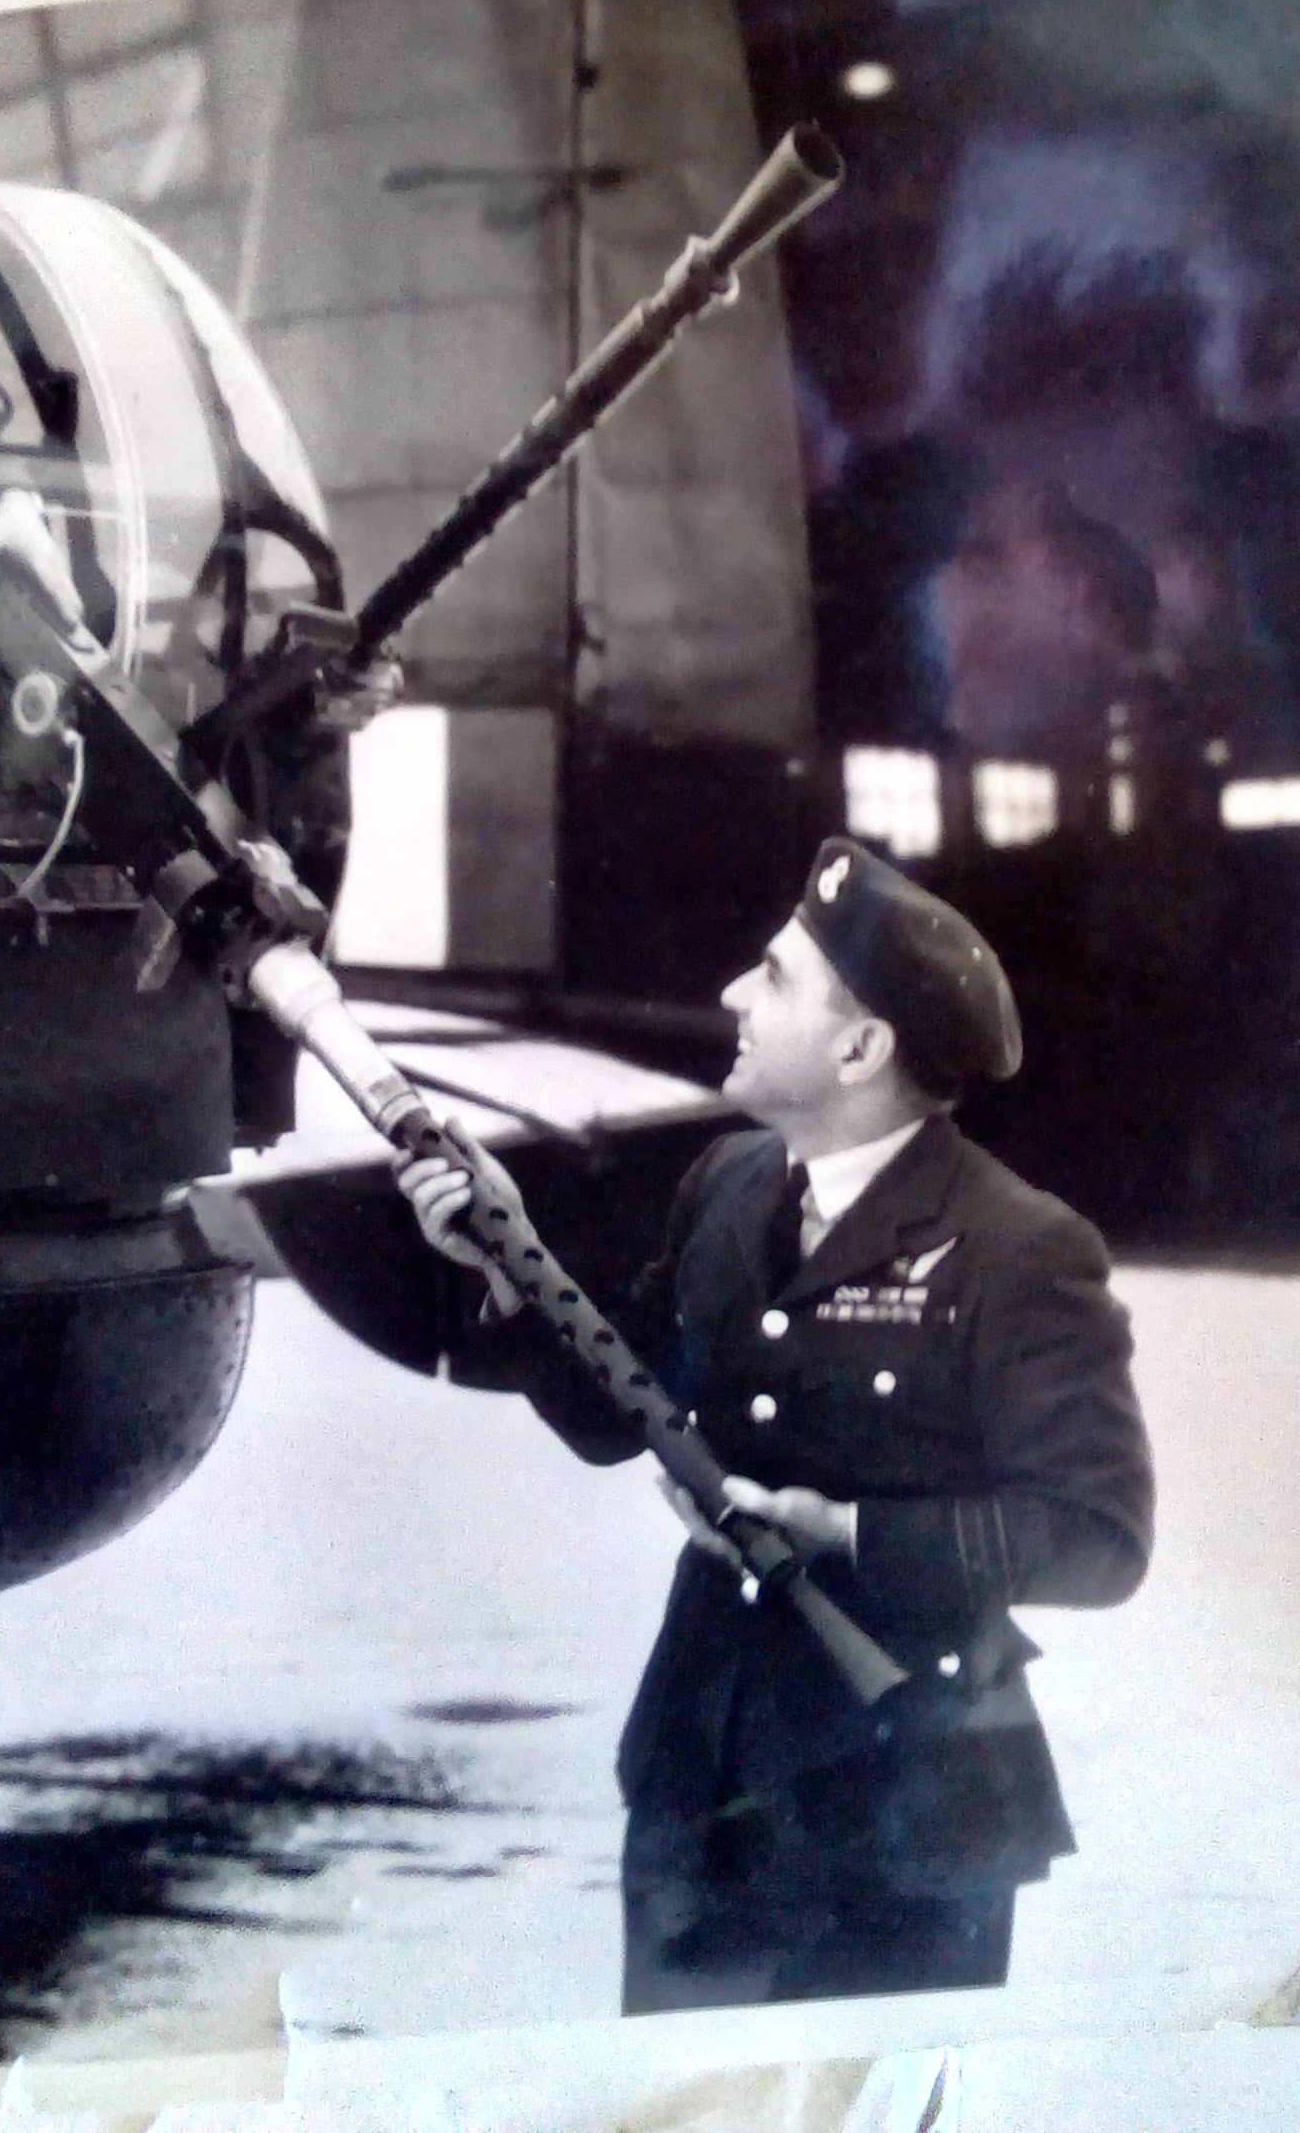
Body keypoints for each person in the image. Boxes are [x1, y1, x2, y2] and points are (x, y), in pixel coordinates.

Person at [397, 836, 1156, 2012]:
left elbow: (1102, 1539)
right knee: (680, 2093)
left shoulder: (1020, 1248)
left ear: (861, 1049)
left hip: (902, 1816)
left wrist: (848, 1531)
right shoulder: (730, 1184)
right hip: (700, 1781)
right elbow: (617, 1415)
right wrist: (510, 1261)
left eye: (774, 975)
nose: (731, 994)